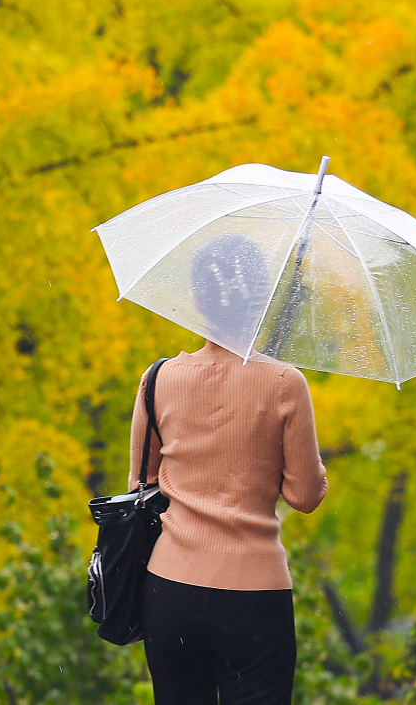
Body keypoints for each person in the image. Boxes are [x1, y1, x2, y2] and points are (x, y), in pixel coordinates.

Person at [130, 232, 328, 705]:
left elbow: (142, 486)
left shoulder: (157, 379)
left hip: (170, 590)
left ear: (197, 301)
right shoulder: (285, 383)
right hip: (253, 595)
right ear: (261, 301)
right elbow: (305, 496)